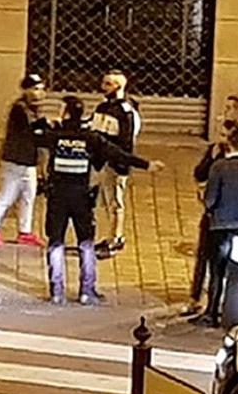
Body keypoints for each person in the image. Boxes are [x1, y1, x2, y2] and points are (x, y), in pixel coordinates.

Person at [36, 96, 160, 305]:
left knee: (55, 241)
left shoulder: (54, 135)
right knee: (86, 242)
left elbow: (32, 137)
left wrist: (40, 122)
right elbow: (119, 154)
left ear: (65, 113)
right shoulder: (90, 138)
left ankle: (57, 291)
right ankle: (87, 291)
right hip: (82, 197)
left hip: (58, 196)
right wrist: (147, 165)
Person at [196, 128, 238, 328]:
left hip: (221, 226)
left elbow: (210, 200)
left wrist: (204, 199)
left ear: (230, 144)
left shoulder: (219, 167)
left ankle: (212, 312)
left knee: (217, 271)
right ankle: (233, 315)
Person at [0, 74, 47, 248]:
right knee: (6, 196)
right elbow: (36, 129)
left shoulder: (34, 109)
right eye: (34, 89)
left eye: (41, 89)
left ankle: (25, 232)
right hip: (14, 162)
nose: (38, 93)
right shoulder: (20, 109)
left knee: (28, 197)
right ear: (25, 90)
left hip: (28, 162)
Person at [90, 69, 142, 259]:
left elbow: (126, 142)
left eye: (107, 84)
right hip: (101, 163)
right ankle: (109, 235)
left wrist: (122, 164)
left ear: (118, 87)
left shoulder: (125, 112)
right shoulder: (102, 108)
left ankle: (115, 239)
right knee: (104, 201)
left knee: (115, 203)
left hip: (115, 164)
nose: (103, 87)